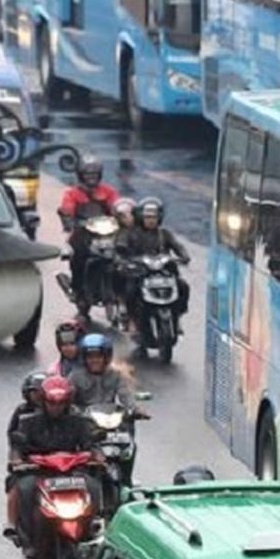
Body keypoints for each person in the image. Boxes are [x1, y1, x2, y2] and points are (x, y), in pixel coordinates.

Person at [5, 376, 99, 541]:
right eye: (52, 403)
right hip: (38, 471)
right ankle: (26, 534)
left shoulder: (78, 421)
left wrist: (97, 456)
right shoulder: (28, 422)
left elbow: (89, 444)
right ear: (43, 401)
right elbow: (17, 447)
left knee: (93, 485)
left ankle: (93, 524)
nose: (56, 407)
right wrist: (18, 461)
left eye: (61, 403)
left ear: (67, 402)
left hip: (71, 470)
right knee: (25, 488)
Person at [58, 157, 120, 314]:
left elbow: (117, 206)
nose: (91, 178)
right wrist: (68, 220)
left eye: (94, 174)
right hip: (82, 234)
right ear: (80, 175)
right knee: (77, 259)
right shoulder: (73, 194)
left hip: (107, 233)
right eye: (87, 174)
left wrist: (123, 215)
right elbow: (67, 209)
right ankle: (77, 291)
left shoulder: (108, 191)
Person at [118, 197, 191, 328]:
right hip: (140, 273)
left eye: (154, 217)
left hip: (164, 273)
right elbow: (121, 249)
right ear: (140, 218)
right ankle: (132, 318)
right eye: (147, 217)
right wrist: (125, 260)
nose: (151, 220)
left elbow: (177, 246)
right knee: (130, 291)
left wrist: (184, 256)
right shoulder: (131, 234)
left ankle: (178, 314)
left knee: (183, 286)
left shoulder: (165, 234)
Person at [68, 334, 140, 412]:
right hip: (83, 419)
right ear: (84, 359)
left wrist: (135, 409)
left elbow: (125, 395)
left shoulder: (115, 375)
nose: (94, 360)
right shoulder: (75, 377)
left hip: (109, 417)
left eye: (98, 357)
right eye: (90, 357)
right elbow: (69, 398)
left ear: (106, 358)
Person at [8, 370, 48, 437]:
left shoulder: (56, 409)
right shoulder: (22, 410)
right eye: (34, 392)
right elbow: (12, 432)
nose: (38, 395)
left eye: (42, 391)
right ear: (27, 393)